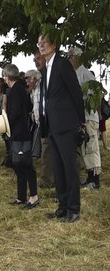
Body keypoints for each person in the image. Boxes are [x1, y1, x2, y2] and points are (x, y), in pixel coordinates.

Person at [38, 34, 85, 223]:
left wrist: (80, 121)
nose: (41, 45)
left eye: (44, 42)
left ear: (54, 44)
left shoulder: (62, 64)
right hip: (52, 125)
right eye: (38, 43)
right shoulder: (45, 69)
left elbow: (75, 91)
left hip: (66, 125)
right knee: (58, 168)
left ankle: (74, 209)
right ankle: (63, 207)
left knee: (69, 168)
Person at [3, 64, 38, 208]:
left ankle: (34, 196)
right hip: (19, 132)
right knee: (18, 165)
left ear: (7, 76)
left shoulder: (16, 90)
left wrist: (6, 123)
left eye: (4, 75)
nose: (3, 78)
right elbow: (28, 107)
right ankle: (21, 196)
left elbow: (16, 112)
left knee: (25, 164)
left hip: (20, 133)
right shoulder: (18, 89)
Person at [67, 47, 101, 189]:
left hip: (89, 116)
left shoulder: (85, 74)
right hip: (80, 117)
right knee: (85, 149)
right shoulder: (75, 74)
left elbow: (95, 96)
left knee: (91, 147)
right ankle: (89, 177)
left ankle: (95, 180)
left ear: (75, 57)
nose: (68, 60)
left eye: (70, 57)